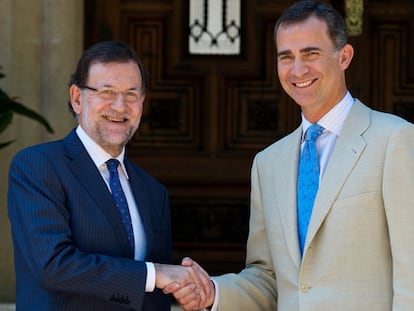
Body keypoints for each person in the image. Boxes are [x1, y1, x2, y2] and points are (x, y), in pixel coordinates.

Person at [168, 0, 414, 310]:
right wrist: (213, 292)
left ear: (344, 57)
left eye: (311, 54)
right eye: (286, 57)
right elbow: (268, 279)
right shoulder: (268, 163)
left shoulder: (395, 139)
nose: (298, 70)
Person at [7, 41, 210, 311]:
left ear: (142, 102)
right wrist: (157, 274)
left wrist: (185, 291)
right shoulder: (38, 166)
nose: (120, 106)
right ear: (77, 98)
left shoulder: (152, 191)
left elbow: (152, 296)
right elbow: (53, 265)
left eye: (131, 94)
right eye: (107, 92)